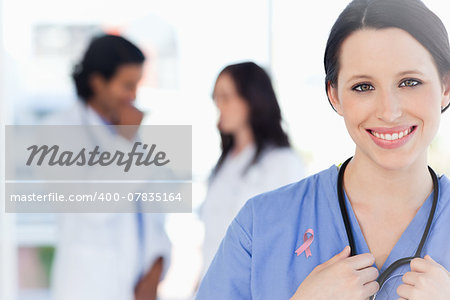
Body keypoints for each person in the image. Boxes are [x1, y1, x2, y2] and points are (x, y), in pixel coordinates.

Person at [196, 0, 450, 299]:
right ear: (334, 95)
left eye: (410, 82)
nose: (389, 111)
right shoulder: (260, 225)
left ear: (446, 86)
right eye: (363, 86)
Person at [47, 34, 171, 300]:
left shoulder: (132, 137)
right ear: (98, 82)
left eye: (137, 85)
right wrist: (125, 139)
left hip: (140, 290)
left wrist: (156, 269)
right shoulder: (59, 131)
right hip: (89, 287)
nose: (133, 96)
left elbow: (154, 213)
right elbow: (93, 205)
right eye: (127, 85)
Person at [200, 62, 304, 276]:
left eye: (226, 97)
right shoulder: (224, 163)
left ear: (252, 99)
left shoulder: (282, 162)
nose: (219, 106)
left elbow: (284, 243)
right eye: (216, 98)